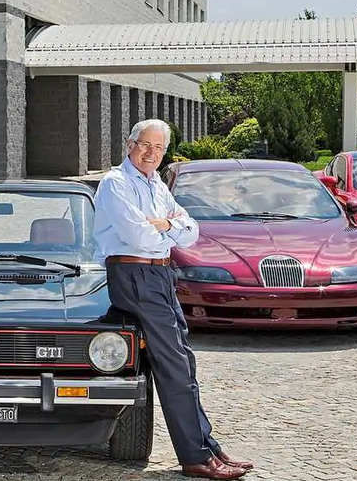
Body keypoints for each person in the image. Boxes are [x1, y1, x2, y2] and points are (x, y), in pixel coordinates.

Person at [93, 119, 253, 481]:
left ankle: (207, 446)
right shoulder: (116, 183)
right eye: (145, 145)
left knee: (185, 363)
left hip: (161, 275)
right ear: (130, 145)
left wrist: (166, 225)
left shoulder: (156, 185)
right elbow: (138, 236)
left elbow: (191, 231)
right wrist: (169, 229)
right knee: (174, 366)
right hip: (134, 274)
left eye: (159, 148)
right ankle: (195, 457)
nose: (151, 153)